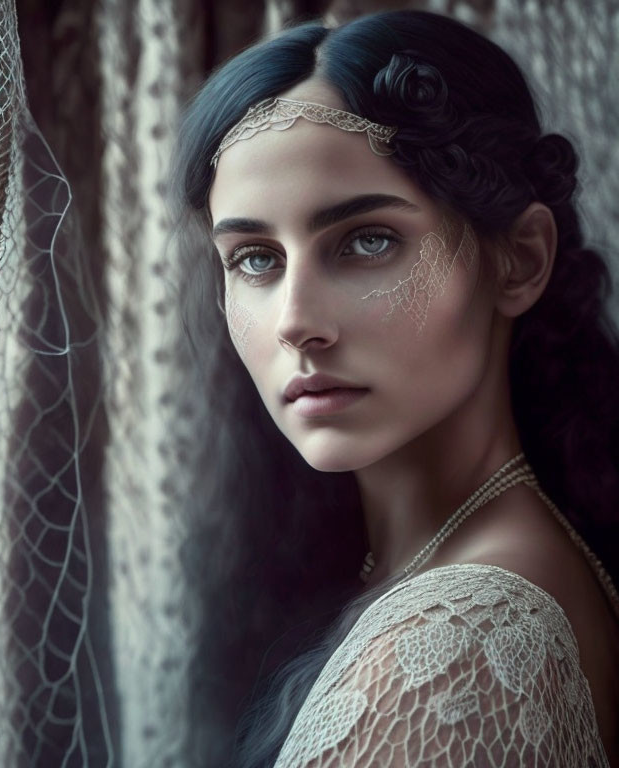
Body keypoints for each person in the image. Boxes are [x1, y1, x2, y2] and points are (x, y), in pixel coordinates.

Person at [170, 9, 619, 766]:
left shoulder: (461, 645)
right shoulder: (437, 563)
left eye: (366, 241)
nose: (295, 322)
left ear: (519, 260)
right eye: (253, 258)